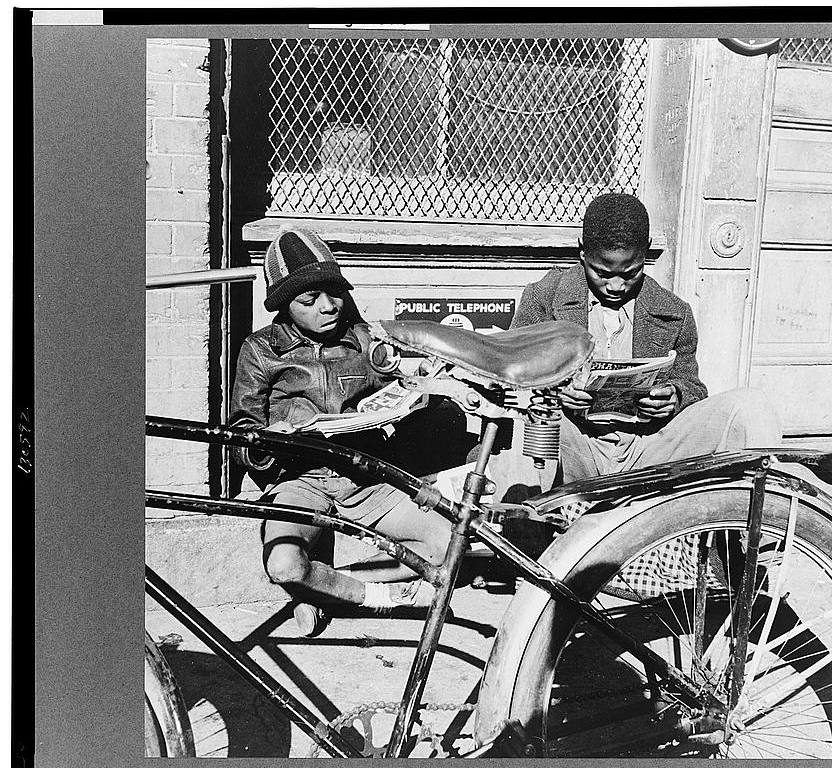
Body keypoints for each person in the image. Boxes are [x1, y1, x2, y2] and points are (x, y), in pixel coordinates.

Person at [229, 228, 451, 636]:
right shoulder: (260, 350)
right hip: (300, 482)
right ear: (283, 305)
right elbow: (240, 434)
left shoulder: (365, 339)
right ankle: (374, 598)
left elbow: (397, 393)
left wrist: (413, 393)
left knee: (444, 548)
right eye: (309, 301)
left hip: (366, 478)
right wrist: (267, 439)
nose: (329, 307)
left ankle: (324, 587)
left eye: (335, 293)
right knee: (284, 564)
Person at [512, 193, 782, 482]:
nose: (615, 286)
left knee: (750, 406)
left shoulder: (674, 312)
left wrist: (674, 397)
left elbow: (692, 385)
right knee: (524, 425)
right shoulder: (543, 298)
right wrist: (554, 394)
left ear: (647, 252)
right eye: (602, 273)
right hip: (573, 445)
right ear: (582, 251)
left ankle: (757, 520)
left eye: (630, 273)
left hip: (648, 450)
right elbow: (506, 381)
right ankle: (528, 525)